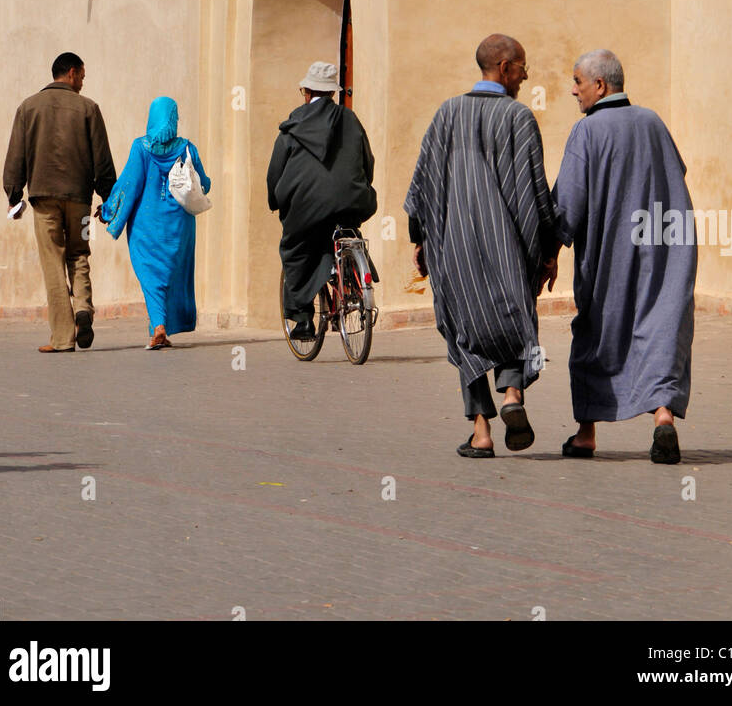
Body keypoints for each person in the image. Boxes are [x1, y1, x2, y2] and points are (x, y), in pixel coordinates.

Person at [405, 35, 558, 458]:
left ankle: (481, 431)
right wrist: (548, 249)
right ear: (505, 67)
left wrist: (420, 239)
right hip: (507, 246)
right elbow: (536, 192)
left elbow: (422, 184)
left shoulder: (446, 114)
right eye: (523, 66)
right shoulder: (519, 118)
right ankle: (512, 394)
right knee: (511, 319)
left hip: (453, 248)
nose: (527, 75)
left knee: (465, 330)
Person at [552, 50, 697, 464]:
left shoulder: (588, 131)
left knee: (598, 333)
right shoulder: (653, 122)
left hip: (610, 256)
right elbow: (675, 176)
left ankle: (585, 435)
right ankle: (663, 418)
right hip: (667, 249)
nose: (573, 89)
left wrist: (548, 250)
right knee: (659, 328)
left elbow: (568, 205)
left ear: (600, 86)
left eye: (577, 81)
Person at [3, 52, 116, 354]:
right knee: (79, 254)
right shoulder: (89, 109)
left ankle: (63, 338)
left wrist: (14, 195)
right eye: (82, 74)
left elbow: (16, 155)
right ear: (71, 72)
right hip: (79, 200)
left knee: (53, 263)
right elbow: (102, 159)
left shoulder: (28, 108)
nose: (83, 81)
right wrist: (109, 198)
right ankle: (83, 309)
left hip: (44, 201)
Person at [268, 62, 377, 341]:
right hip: (353, 200)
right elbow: (367, 159)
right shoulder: (350, 120)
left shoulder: (293, 125)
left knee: (296, 249)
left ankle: (303, 321)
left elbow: (276, 170)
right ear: (333, 93)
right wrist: (364, 186)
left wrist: (276, 200)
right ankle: (352, 279)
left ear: (307, 92)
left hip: (307, 206)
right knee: (345, 226)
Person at [98, 97, 210, 350]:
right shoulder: (187, 148)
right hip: (178, 227)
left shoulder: (141, 147)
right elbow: (204, 183)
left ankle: (158, 326)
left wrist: (108, 211)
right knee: (171, 274)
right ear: (174, 118)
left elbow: (129, 184)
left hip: (145, 226)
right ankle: (162, 326)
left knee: (151, 277)